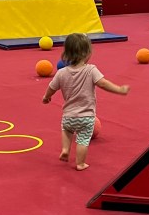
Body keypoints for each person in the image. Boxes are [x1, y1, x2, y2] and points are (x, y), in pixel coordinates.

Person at [42, 32, 129, 171]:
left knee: (66, 130)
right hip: (87, 117)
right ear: (87, 53)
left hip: (68, 116)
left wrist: (46, 97)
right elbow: (103, 84)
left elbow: (51, 87)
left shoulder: (61, 72)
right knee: (83, 140)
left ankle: (65, 149)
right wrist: (119, 90)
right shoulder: (91, 70)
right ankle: (80, 163)